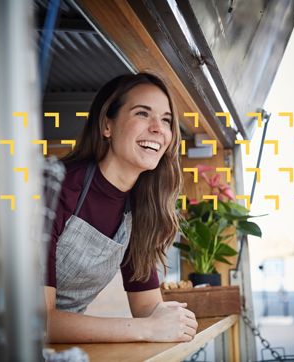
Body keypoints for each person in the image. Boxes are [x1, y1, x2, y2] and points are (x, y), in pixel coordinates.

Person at [44, 72, 198, 343]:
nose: (158, 128)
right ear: (107, 125)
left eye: (166, 120)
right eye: (142, 114)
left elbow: (147, 307)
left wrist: (173, 317)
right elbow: (36, 320)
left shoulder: (141, 210)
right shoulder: (54, 188)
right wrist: (147, 329)